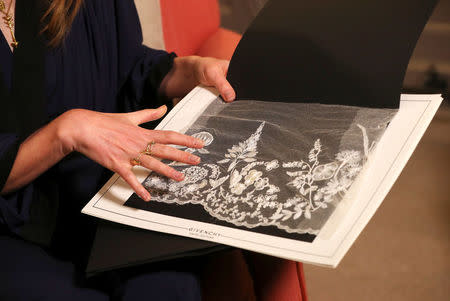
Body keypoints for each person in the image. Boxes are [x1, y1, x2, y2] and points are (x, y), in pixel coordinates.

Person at [0, 0, 236, 299]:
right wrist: (66, 131)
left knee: (170, 287)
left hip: (104, 192)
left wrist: (185, 71)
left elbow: (128, 67)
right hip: (13, 223)